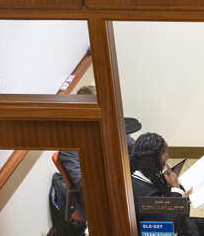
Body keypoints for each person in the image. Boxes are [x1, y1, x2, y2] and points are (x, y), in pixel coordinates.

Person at [56, 85, 141, 220]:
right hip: (97, 200)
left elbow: (134, 148)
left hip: (123, 187)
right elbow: (83, 183)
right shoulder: (70, 144)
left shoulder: (109, 127)